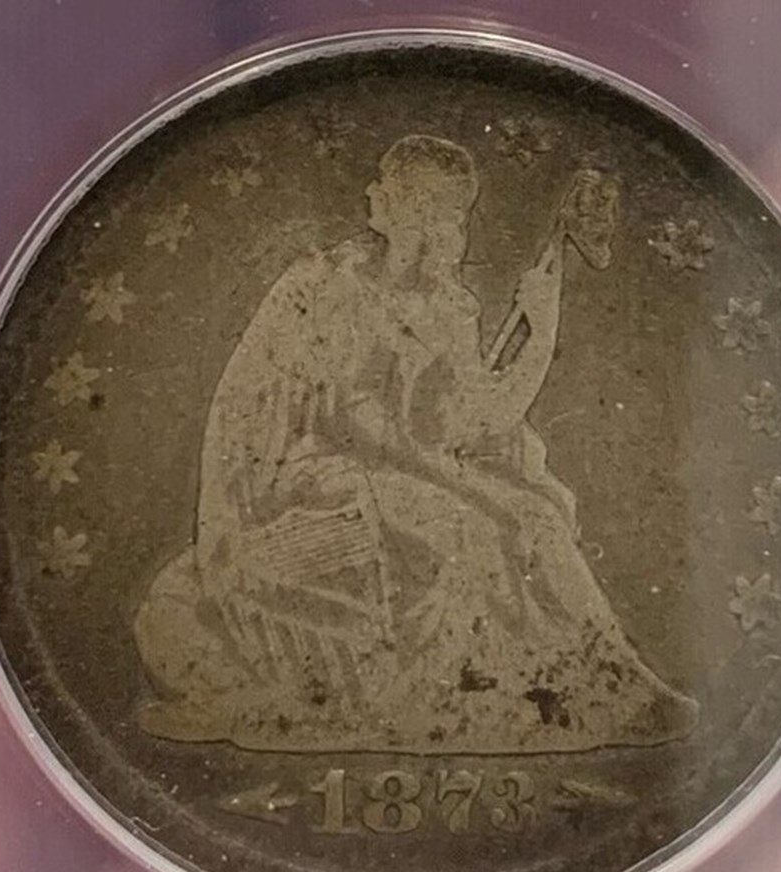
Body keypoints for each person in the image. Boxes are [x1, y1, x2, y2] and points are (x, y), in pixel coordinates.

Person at [134, 133, 697, 752]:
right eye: (437, 212)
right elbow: (363, 427)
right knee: (461, 526)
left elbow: (482, 422)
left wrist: (542, 328)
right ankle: (464, 698)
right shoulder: (328, 288)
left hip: (409, 474)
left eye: (456, 215)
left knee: (535, 517)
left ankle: (618, 687)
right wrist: (475, 492)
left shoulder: (447, 307)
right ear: (396, 208)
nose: (453, 232)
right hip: (317, 483)